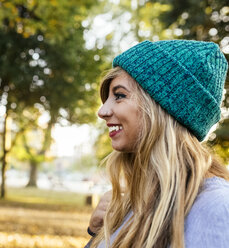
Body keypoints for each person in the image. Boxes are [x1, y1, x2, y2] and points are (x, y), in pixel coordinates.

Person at [85, 40, 229, 248]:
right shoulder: (129, 203)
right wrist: (96, 235)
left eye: (119, 95)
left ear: (161, 108)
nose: (102, 111)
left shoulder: (218, 208)